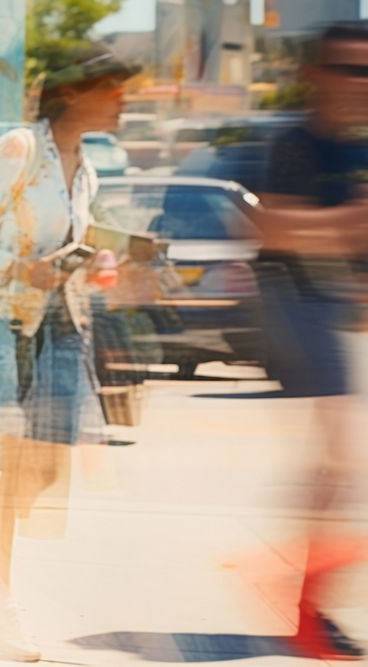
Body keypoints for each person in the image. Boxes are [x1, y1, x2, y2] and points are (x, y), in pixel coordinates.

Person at [0, 43, 135, 661]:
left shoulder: (85, 168)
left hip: (59, 331)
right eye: (113, 87)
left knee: (39, 472)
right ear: (74, 92)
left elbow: (68, 244)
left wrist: (96, 265)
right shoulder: (21, 148)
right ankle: (1, 603)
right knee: (6, 478)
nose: (124, 99)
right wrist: (19, 268)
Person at [256, 21, 368, 662]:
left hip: (335, 309)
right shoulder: (297, 144)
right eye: (349, 69)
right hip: (297, 306)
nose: (360, 84)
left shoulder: (355, 149)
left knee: (338, 470)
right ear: (316, 74)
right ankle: (305, 606)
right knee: (342, 460)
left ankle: (308, 598)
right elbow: (273, 226)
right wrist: (347, 223)